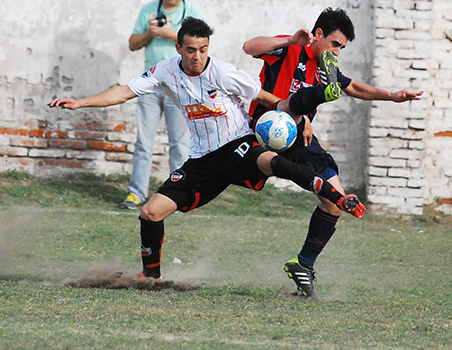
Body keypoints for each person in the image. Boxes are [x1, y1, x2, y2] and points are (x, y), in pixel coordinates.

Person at [48, 17, 366, 284]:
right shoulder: (165, 71)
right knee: (150, 213)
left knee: (271, 161)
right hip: (202, 160)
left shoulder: (223, 73)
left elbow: (273, 100)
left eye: (202, 49)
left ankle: (339, 196)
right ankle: (151, 278)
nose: (197, 56)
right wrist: (81, 102)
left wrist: (304, 107)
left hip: (239, 144)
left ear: (207, 48)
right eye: (190, 50)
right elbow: (123, 92)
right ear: (179, 49)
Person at [243, 7, 423, 298]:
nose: (337, 52)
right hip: (265, 127)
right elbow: (249, 47)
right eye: (335, 44)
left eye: (342, 47)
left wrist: (392, 96)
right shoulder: (289, 50)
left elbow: (355, 88)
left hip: (298, 136)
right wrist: (290, 40)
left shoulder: (327, 69)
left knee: (334, 201)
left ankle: (303, 264)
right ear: (318, 35)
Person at [121, 0, 204, 209]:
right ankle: (136, 193)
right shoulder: (149, 9)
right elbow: (133, 44)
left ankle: (178, 196)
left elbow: (200, 44)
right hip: (150, 84)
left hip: (180, 85)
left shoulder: (193, 13)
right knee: (144, 142)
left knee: (180, 144)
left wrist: (170, 34)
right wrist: (150, 32)